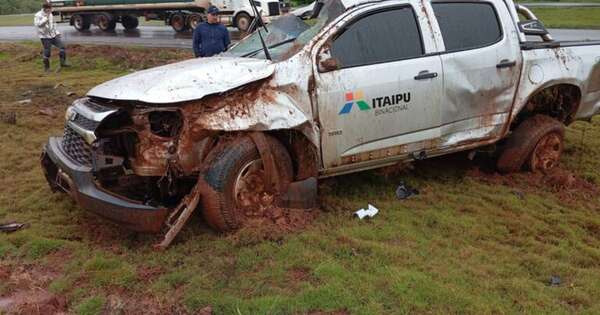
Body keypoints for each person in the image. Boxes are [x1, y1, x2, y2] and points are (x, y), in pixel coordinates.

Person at [34, 2, 69, 72]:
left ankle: (63, 63)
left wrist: (57, 33)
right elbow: (38, 25)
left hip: (53, 35)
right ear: (44, 8)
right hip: (44, 37)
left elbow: (53, 24)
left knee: (62, 47)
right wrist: (45, 19)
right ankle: (47, 68)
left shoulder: (50, 14)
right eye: (49, 9)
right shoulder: (38, 15)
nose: (50, 10)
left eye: (50, 9)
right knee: (47, 52)